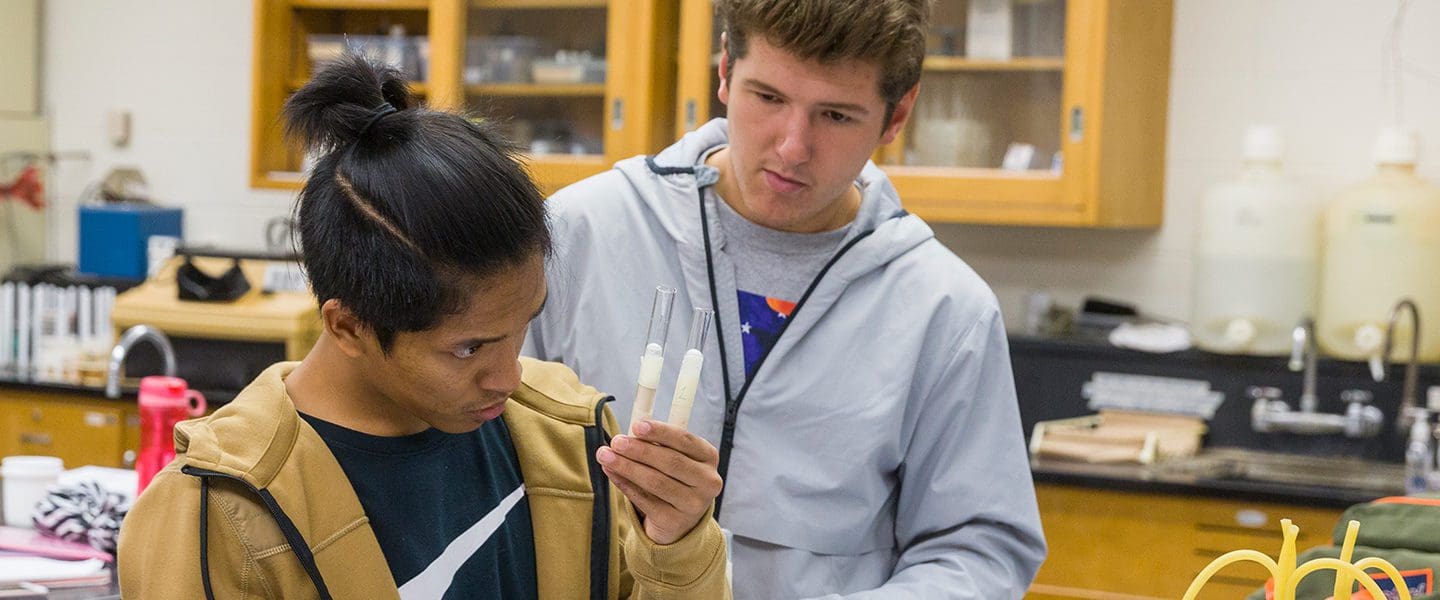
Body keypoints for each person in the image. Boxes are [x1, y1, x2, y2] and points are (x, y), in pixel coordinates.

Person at [117, 54, 730, 600]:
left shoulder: (569, 435)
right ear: (349, 326)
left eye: (524, 325)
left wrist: (676, 548)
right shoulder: (221, 511)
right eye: (468, 348)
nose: (509, 375)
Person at [523, 0, 1047, 597]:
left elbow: (978, 550)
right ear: (724, 69)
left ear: (897, 115)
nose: (793, 146)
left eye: (836, 115)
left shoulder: (945, 309)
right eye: (768, 98)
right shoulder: (573, 235)